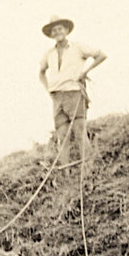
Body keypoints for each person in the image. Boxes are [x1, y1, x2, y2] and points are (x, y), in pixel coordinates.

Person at [38, 15, 107, 164]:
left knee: (80, 132)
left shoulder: (78, 47)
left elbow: (101, 55)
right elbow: (41, 72)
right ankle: (66, 175)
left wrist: (85, 72)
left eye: (60, 29)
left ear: (67, 30)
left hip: (74, 93)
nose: (57, 32)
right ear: (51, 34)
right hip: (57, 97)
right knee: (62, 136)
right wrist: (49, 89)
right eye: (54, 30)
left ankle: (89, 169)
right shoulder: (49, 54)